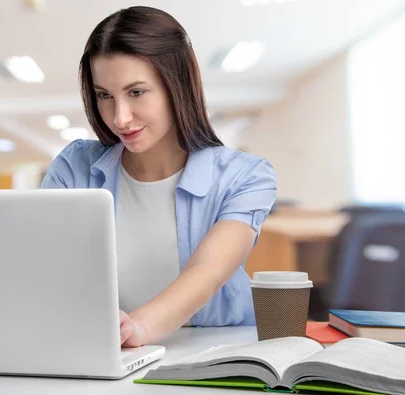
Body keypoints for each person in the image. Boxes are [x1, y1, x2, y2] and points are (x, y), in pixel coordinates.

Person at [40, 6, 277, 348]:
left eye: (136, 92)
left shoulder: (245, 176)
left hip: (217, 350)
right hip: (106, 352)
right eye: (104, 95)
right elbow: (43, 263)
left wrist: (135, 329)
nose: (120, 118)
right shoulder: (75, 167)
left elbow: (207, 273)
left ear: (176, 86)